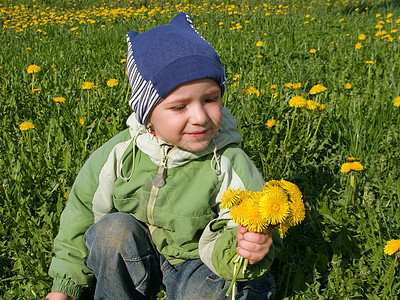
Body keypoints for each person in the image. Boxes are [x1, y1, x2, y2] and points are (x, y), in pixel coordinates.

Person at [45, 12, 282, 300]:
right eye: (180, 106)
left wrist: (251, 245)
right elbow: (80, 215)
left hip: (198, 261)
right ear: (147, 116)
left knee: (203, 293)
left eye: (210, 99)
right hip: (139, 250)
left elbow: (254, 223)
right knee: (112, 231)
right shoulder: (119, 154)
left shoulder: (229, 162)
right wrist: (64, 286)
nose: (200, 117)